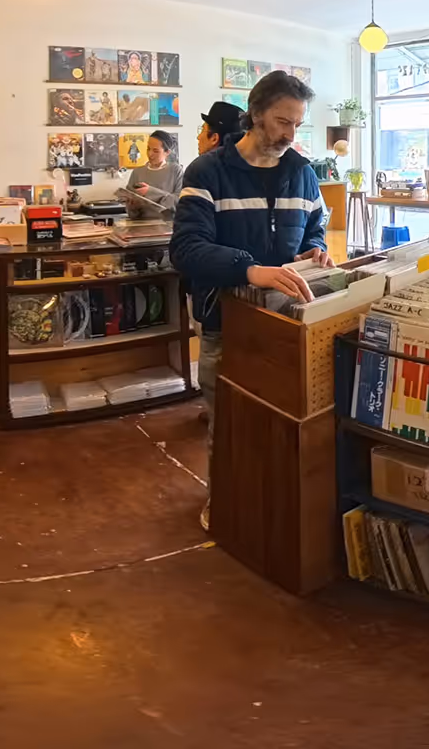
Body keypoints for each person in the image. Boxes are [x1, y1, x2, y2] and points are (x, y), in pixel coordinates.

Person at [170, 71, 331, 530]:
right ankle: (225, 505)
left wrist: (315, 250)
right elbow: (185, 249)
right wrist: (249, 268)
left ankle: (268, 510)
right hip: (226, 325)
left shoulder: (302, 173)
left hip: (286, 323)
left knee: (280, 425)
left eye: (297, 124)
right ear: (255, 114)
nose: (289, 134)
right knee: (230, 426)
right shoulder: (207, 172)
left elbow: (315, 228)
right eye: (282, 121)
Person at [124, 130, 184, 215]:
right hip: (141, 222)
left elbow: (178, 202)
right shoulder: (137, 172)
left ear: (167, 152)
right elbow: (129, 209)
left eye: (156, 151)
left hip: (167, 222)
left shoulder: (175, 171)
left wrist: (150, 192)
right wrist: (132, 206)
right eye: (148, 149)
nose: (150, 154)